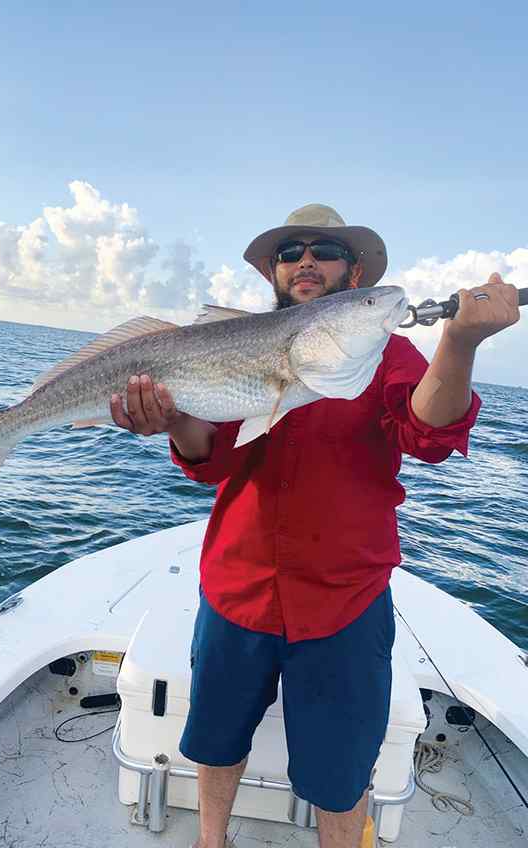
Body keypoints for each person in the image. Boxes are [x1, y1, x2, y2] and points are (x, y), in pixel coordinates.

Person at [109, 205, 520, 848]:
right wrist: (171, 420)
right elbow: (210, 460)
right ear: (273, 271)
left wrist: (459, 342)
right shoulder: (230, 347)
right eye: (291, 251)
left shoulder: (389, 352)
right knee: (216, 738)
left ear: (354, 272)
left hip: (345, 599)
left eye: (325, 249)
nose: (306, 260)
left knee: (339, 765)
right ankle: (209, 841)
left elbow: (428, 432)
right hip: (237, 585)